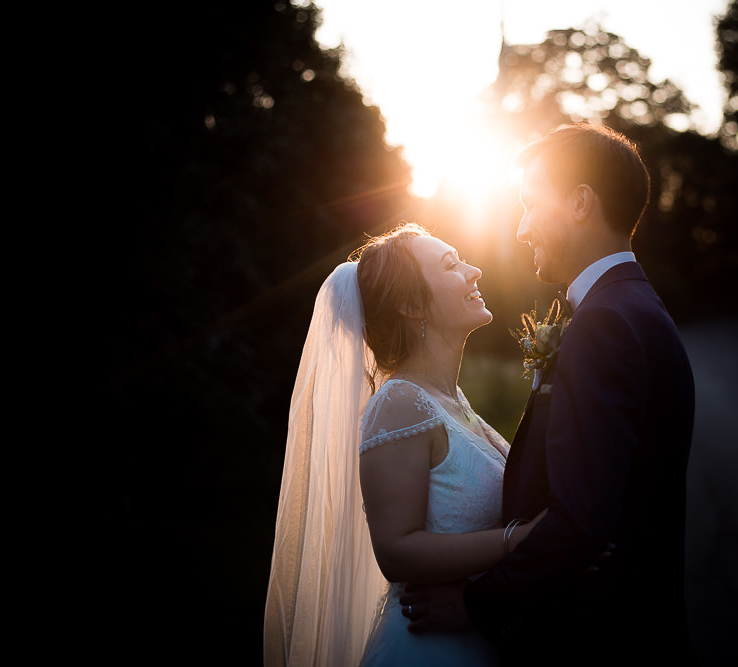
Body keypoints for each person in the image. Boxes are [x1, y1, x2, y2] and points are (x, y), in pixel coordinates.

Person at [400, 123, 697, 665]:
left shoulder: (606, 322)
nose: (520, 229)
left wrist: (475, 602)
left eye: (531, 204)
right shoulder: (631, 306)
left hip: (603, 638)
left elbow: (582, 521)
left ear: (580, 203)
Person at [263, 223, 541, 666]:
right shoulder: (399, 402)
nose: (475, 271)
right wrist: (518, 540)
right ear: (412, 305)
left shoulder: (448, 399)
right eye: (452, 265)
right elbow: (396, 550)